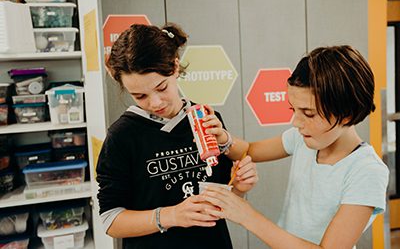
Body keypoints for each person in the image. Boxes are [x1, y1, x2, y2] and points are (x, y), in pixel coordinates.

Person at [201, 45, 389, 249]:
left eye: (308, 113)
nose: (295, 122)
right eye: (293, 109)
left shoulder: (367, 171)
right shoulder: (304, 138)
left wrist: (247, 216)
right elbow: (250, 151)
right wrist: (223, 139)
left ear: (347, 115)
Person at [96, 23, 258, 249]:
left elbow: (222, 198)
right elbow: (111, 219)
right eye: (140, 96)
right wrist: (171, 216)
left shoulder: (206, 120)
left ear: (174, 66)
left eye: (161, 88)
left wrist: (239, 187)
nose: (155, 103)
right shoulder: (121, 137)